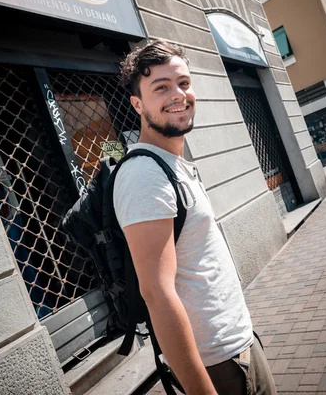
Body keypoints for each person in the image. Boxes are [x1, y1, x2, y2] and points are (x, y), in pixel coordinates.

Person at [114, 40, 277, 395]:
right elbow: (157, 294)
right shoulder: (145, 175)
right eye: (161, 87)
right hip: (217, 365)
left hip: (238, 344)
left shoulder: (173, 163)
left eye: (184, 83)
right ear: (138, 104)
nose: (178, 94)